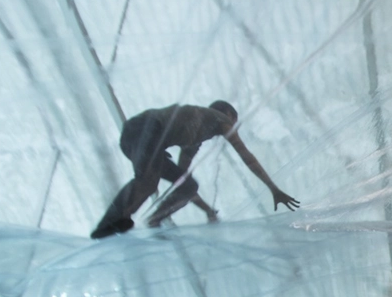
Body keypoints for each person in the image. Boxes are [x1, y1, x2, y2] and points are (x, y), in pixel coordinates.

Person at [91, 101, 299, 238]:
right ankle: (110, 225)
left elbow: (182, 184)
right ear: (228, 114)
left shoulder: (193, 138)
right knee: (147, 181)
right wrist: (273, 189)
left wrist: (207, 210)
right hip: (145, 129)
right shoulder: (220, 119)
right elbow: (247, 157)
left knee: (188, 185)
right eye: (234, 122)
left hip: (136, 140)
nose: (233, 129)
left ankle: (152, 220)